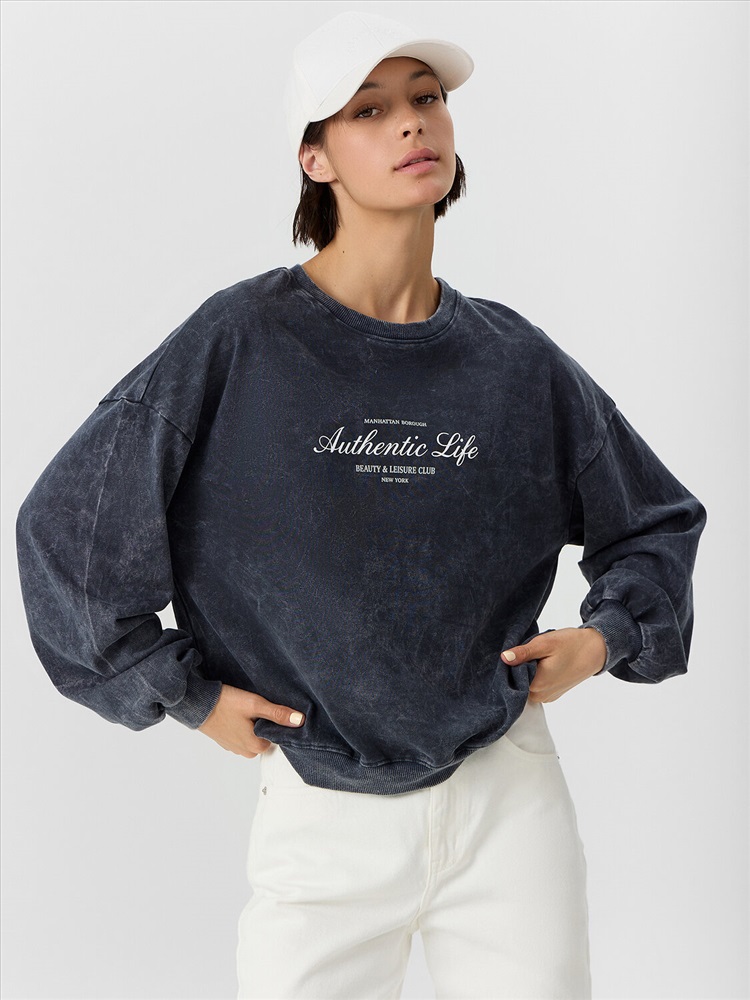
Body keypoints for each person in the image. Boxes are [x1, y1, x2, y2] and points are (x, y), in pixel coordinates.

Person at [15, 10, 707, 1000]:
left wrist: (605, 640)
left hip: (506, 792)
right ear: (316, 157)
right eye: (369, 110)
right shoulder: (239, 342)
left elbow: (654, 519)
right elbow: (66, 530)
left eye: (426, 99)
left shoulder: (517, 363)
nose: (411, 123)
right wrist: (185, 694)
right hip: (319, 810)